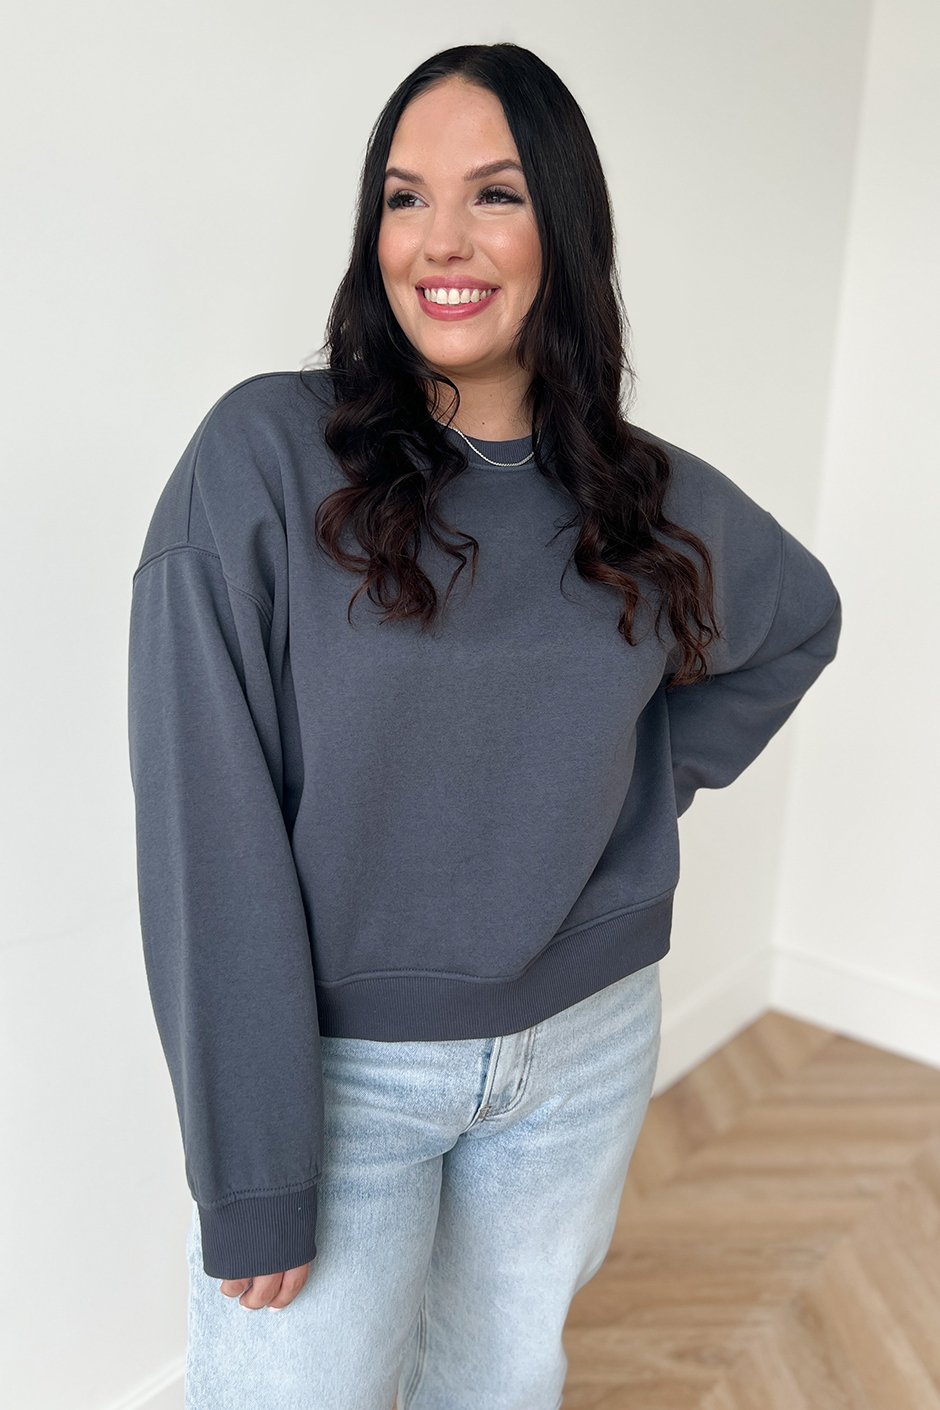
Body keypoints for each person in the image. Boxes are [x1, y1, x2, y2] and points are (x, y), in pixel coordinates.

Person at [126, 42, 843, 1410]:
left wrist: (625, 787)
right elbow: (205, 834)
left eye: (494, 194)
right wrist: (252, 1167)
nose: (441, 241)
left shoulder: (644, 497)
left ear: (561, 227)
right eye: (405, 198)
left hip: (585, 1045)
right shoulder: (262, 458)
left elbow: (798, 620)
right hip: (343, 1080)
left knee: (500, 1391)